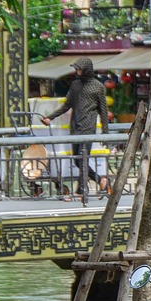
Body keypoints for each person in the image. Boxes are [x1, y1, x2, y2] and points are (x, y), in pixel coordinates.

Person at [41, 56, 112, 199]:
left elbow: (103, 111)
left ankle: (83, 189)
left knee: (82, 159)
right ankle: (98, 181)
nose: (77, 71)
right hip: (75, 127)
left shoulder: (98, 87)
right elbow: (66, 105)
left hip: (88, 127)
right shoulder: (75, 85)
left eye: (79, 69)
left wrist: (105, 133)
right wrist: (50, 117)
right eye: (76, 69)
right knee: (78, 160)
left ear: (86, 69)